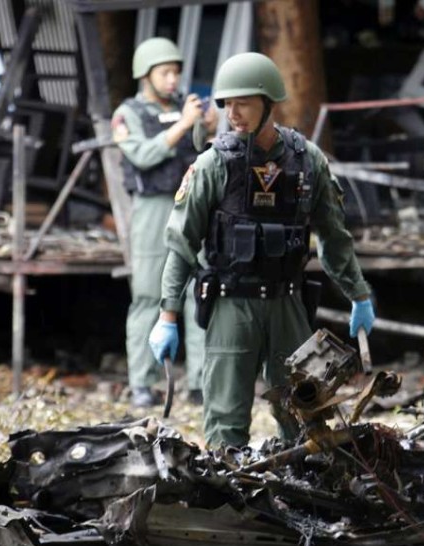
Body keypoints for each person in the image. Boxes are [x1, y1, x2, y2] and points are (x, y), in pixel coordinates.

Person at [147, 52, 375, 448]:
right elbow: (181, 244)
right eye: (227, 104)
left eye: (243, 103)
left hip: (288, 302)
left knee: (307, 415)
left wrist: (359, 294)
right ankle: (227, 500)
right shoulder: (213, 165)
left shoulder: (307, 161)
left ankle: (310, 494)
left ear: (269, 102)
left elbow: (334, 236)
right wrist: (167, 315)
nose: (232, 113)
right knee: (225, 420)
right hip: (231, 302)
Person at [114, 37, 214, 407]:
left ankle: (199, 383)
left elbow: (202, 150)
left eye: (175, 72)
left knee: (198, 292)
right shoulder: (129, 113)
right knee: (149, 294)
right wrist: (184, 124)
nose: (172, 80)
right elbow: (142, 155)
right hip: (152, 208)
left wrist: (204, 125)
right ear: (146, 75)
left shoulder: (184, 106)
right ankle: (144, 381)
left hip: (190, 204)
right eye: (165, 73)